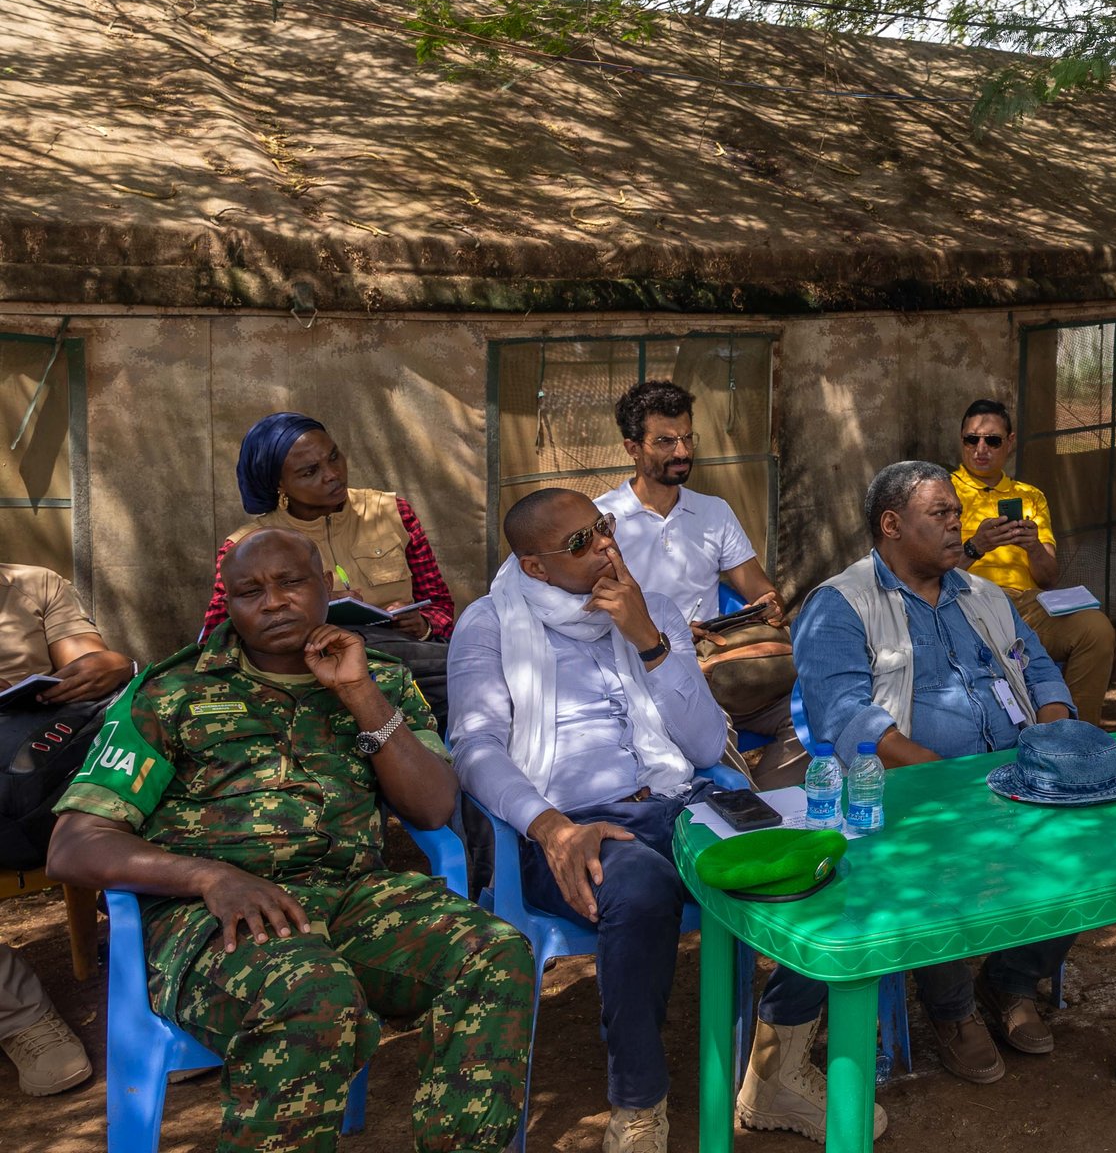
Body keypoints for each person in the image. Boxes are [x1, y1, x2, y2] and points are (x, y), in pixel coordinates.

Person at [48, 530, 532, 1151]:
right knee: (311, 996)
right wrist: (209, 876)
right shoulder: (172, 692)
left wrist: (358, 694)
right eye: (250, 591)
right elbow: (74, 843)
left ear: (326, 587)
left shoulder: (379, 678)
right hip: (210, 918)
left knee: (494, 953)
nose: (273, 602)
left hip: (352, 896)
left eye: (290, 582)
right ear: (228, 604)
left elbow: (433, 806)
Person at [446, 488, 860, 1150]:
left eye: (603, 527)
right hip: (566, 823)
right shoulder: (490, 623)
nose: (605, 546)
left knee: (820, 860)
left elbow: (704, 745)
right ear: (535, 567)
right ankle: (638, 1107)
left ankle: (776, 1071)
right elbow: (474, 748)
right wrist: (550, 827)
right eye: (580, 542)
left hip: (677, 802)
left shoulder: (655, 611)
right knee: (639, 886)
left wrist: (650, 641)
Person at [790, 460, 1078, 1083]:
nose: (958, 526)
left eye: (957, 513)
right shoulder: (839, 605)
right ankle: (952, 1010)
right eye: (941, 514)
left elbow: (1039, 670)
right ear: (892, 525)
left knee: (1089, 840)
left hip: (1018, 776)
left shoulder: (984, 595)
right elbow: (847, 719)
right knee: (931, 851)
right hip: (915, 790)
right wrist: (949, 781)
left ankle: (1011, 981)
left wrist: (1052, 736)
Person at [594, 381, 799, 785]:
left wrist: (765, 608)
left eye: (687, 438)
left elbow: (761, 590)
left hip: (723, 669)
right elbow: (597, 613)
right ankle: (747, 809)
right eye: (665, 441)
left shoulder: (713, 512)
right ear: (632, 448)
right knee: (712, 736)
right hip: (652, 674)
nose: (683, 452)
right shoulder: (603, 520)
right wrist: (666, 632)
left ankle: (768, 802)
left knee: (818, 717)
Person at [202, 412, 456, 725]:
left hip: (406, 658)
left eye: (334, 457)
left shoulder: (391, 512)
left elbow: (440, 605)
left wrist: (425, 624)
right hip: (309, 669)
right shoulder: (248, 546)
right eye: (310, 471)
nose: (332, 474)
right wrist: (316, 606)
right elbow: (215, 635)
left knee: (467, 674)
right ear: (280, 484)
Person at [0, 561, 134, 1096]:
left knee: (141, 761)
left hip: (39, 774)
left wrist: (107, 667)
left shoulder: (33, 584)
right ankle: (19, 1014)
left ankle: (156, 987)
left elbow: (84, 660)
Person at [951, 398, 1115, 725]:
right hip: (965, 600)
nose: (981, 449)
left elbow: (1049, 577)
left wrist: (1034, 547)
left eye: (992, 440)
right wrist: (975, 547)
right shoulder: (943, 491)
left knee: (1096, 630)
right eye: (972, 439)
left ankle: (1077, 735)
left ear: (1010, 442)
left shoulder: (1031, 496)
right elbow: (926, 572)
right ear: (962, 441)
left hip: (1023, 604)